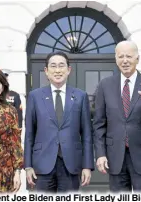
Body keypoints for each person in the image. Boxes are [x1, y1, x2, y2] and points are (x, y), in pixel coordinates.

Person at [93, 40, 141, 192]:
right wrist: (100, 154)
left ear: (138, 58)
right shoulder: (105, 85)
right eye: (120, 56)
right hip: (115, 156)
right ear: (116, 59)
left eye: (129, 56)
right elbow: (99, 123)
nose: (125, 60)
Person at [24, 51, 94, 192]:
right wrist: (28, 165)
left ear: (68, 70)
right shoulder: (35, 96)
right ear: (46, 71)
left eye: (61, 66)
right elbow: (29, 133)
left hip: (71, 163)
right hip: (42, 163)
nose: (57, 70)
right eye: (53, 66)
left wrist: (87, 165)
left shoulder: (80, 96)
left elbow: (87, 134)